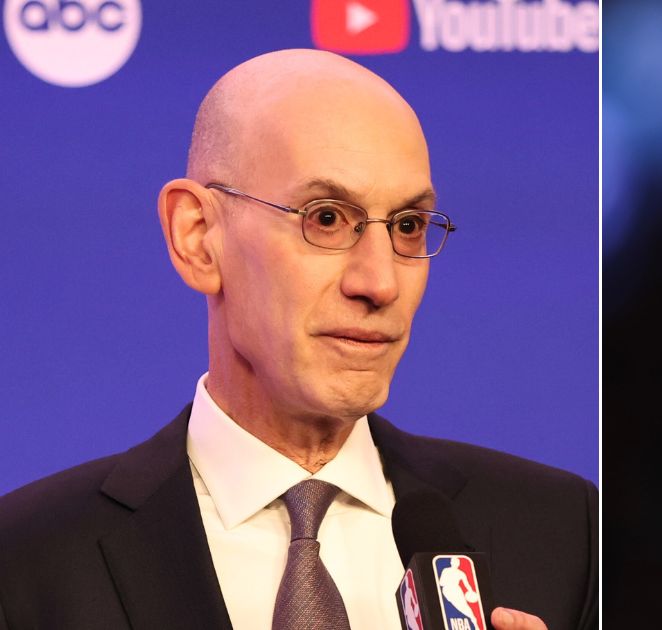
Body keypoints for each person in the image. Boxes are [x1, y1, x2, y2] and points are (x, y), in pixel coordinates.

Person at [0, 49, 596, 630]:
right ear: (199, 237)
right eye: (327, 218)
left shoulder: (566, 532)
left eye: (409, 227)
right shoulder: (25, 560)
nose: (380, 282)